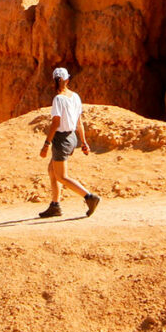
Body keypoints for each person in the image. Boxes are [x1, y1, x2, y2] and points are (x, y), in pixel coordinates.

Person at [37, 67, 100, 218]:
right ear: (67, 80)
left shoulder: (58, 99)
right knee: (52, 170)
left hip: (61, 139)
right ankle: (55, 205)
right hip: (72, 137)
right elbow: (79, 122)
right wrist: (83, 142)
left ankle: (89, 197)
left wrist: (46, 144)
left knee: (61, 176)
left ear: (54, 81)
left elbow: (55, 123)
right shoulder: (75, 97)